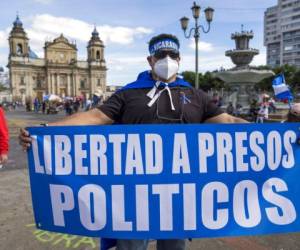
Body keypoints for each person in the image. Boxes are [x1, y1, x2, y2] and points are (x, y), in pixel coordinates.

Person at [19, 33, 247, 250]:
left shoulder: (196, 95)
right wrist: (46, 130)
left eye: (172, 55)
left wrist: (280, 135)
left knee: (175, 245)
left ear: (179, 59)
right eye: (161, 55)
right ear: (150, 60)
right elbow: (96, 116)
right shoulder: (129, 94)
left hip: (180, 192)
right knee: (131, 246)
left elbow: (227, 119)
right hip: (133, 194)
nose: (167, 60)